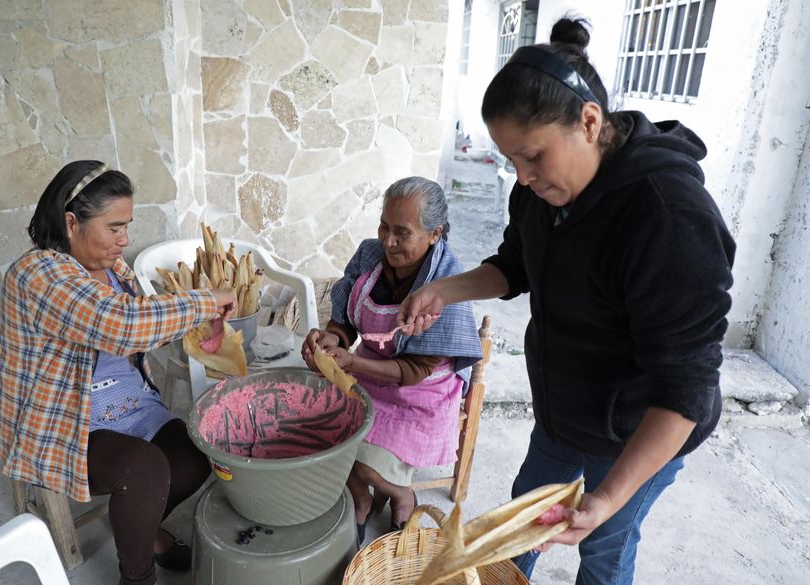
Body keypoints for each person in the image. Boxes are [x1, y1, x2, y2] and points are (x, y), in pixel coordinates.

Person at [397, 18, 736, 585]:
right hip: (564, 411)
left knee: (603, 547)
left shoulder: (668, 215)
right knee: (514, 526)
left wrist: (608, 498)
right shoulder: (540, 193)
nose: (523, 178)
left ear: (589, 121)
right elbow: (515, 266)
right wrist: (439, 290)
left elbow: (685, 392)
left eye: (532, 157)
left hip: (639, 427)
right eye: (511, 162)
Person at [0, 160, 237, 585]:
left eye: (127, 225)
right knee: (142, 469)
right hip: (64, 418)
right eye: (114, 227)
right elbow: (120, 325)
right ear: (71, 222)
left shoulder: (113, 269)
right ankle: (136, 576)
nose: (125, 239)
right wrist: (204, 302)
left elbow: (140, 333)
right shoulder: (37, 274)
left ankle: (142, 525)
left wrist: (198, 331)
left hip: (128, 404)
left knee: (198, 450)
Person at [301, 177, 483, 542]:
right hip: (367, 377)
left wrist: (350, 364)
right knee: (323, 443)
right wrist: (331, 339)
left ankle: (402, 494)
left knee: (368, 468)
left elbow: (414, 370)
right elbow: (345, 320)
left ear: (435, 234)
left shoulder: (448, 282)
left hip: (423, 393)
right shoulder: (370, 256)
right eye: (384, 226)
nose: (388, 241)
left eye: (403, 233)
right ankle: (361, 501)